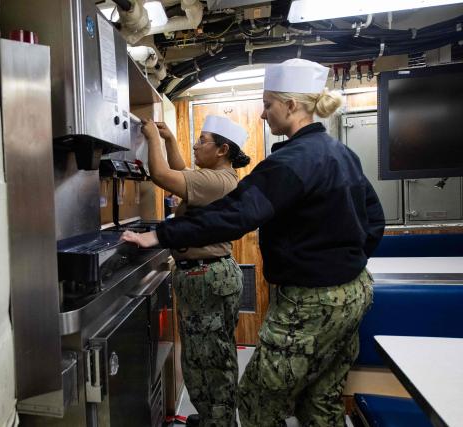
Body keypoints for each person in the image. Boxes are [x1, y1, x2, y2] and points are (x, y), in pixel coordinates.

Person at [123, 59, 385, 427]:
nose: (262, 115)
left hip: (311, 300)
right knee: (322, 401)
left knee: (258, 401)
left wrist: (161, 234)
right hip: (354, 290)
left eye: (267, 105)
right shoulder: (341, 153)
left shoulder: (292, 161)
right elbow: (375, 220)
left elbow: (235, 215)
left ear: (291, 105)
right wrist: (347, 264)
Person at [140, 116, 251, 427]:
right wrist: (170, 140)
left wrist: (150, 136)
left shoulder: (218, 181)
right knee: (203, 356)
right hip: (205, 276)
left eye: (202, 140)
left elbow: (163, 175)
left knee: (210, 360)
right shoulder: (216, 177)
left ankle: (219, 422)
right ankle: (213, 419)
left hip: (207, 276)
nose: (196, 145)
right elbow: (183, 174)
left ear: (222, 149)